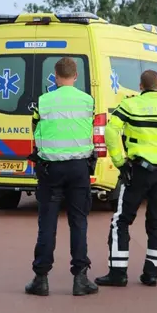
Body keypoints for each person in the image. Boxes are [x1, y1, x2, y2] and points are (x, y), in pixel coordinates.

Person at [94, 70, 157, 288]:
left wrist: (119, 161)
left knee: (121, 220)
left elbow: (111, 131)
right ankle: (151, 274)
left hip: (138, 171)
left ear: (140, 86)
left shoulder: (130, 105)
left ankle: (118, 273)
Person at [25, 57, 99, 297]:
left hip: (50, 169)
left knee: (47, 223)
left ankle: (41, 278)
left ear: (55, 77)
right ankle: (80, 278)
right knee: (78, 222)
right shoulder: (88, 101)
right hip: (79, 168)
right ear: (75, 76)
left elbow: (35, 130)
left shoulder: (43, 102)